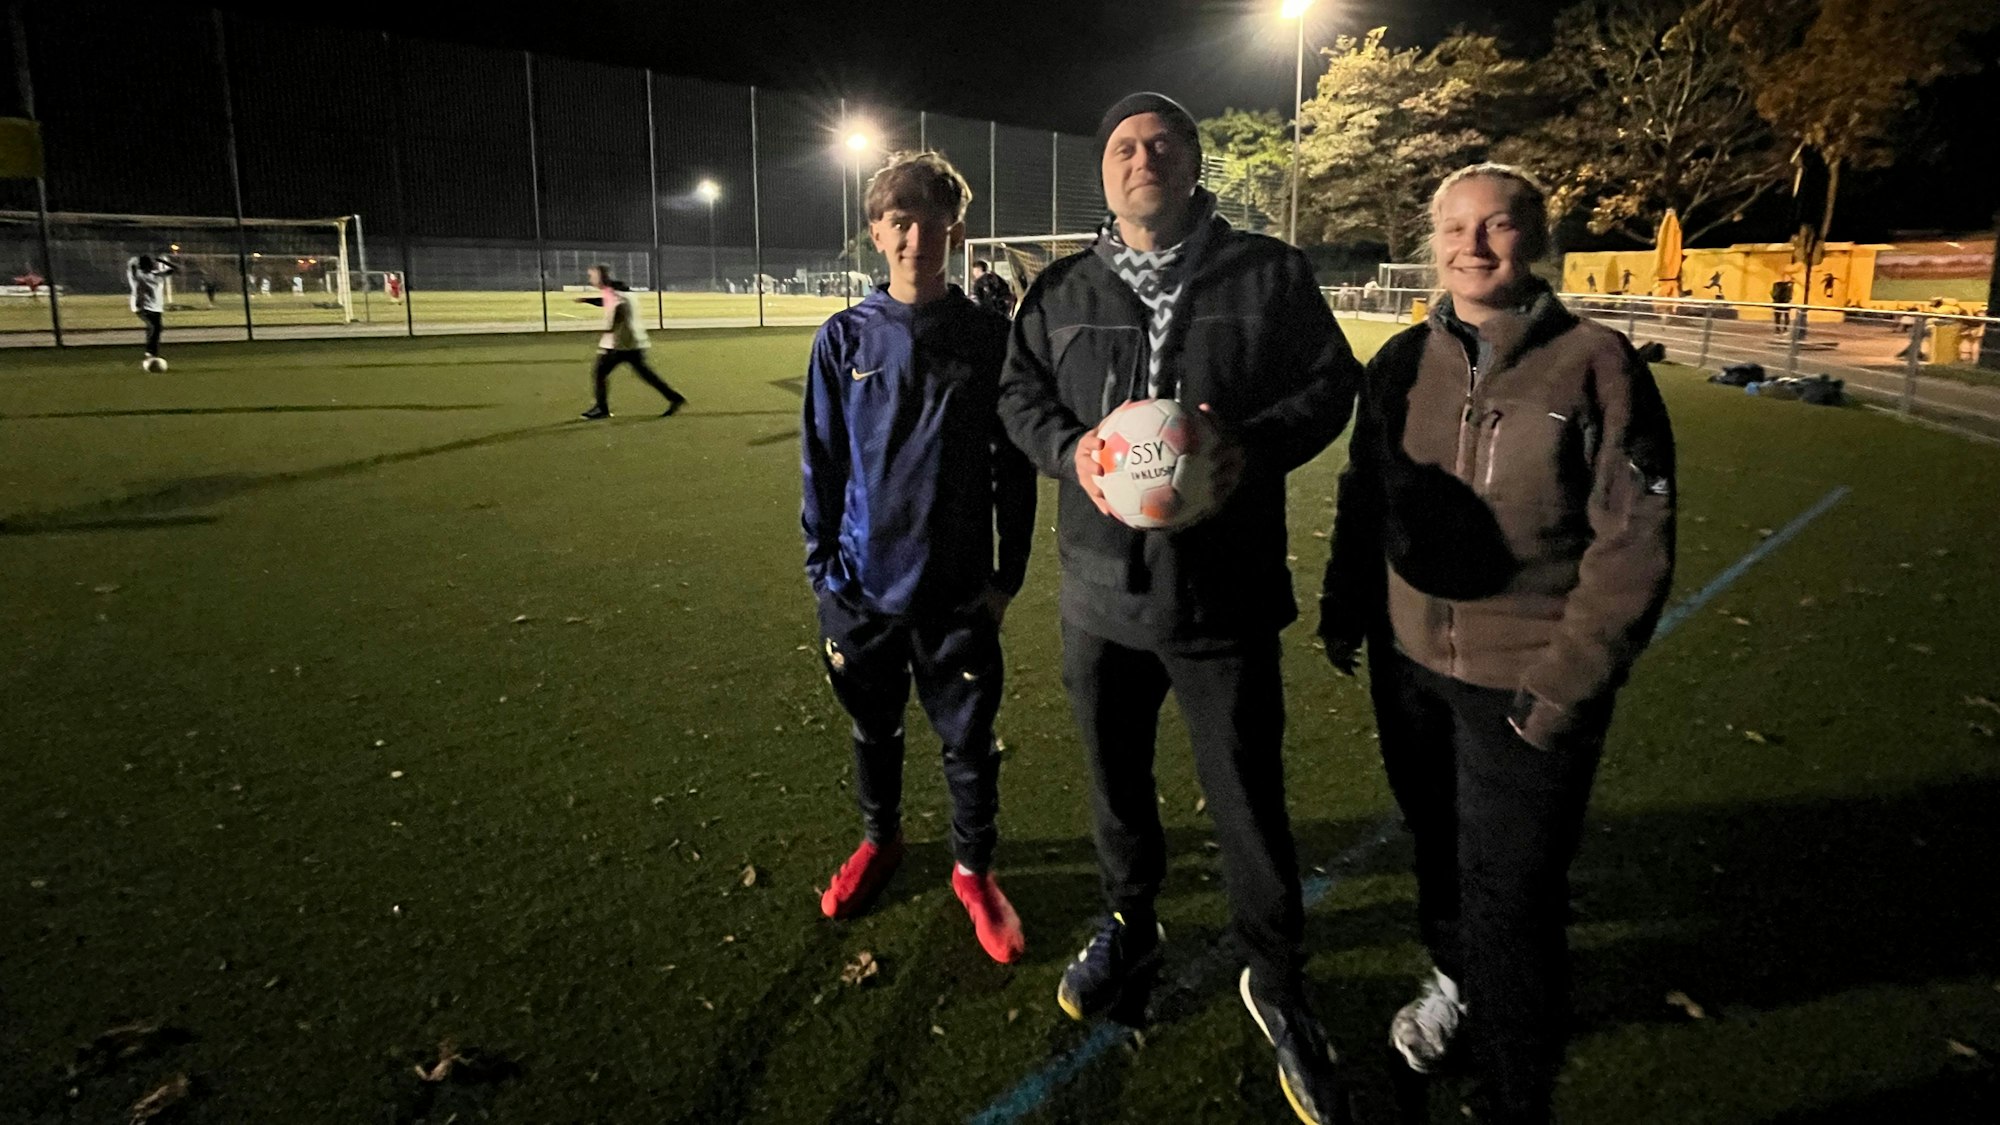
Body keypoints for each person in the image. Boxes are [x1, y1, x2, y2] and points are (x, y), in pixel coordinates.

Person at [998, 92, 1363, 1125]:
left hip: (1222, 598)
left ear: (1193, 164)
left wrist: (1249, 445)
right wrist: (1070, 452)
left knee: (1246, 797)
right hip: (1097, 597)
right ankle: (1130, 922)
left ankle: (1276, 978)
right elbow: (1017, 395)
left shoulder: (1267, 274)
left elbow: (1330, 385)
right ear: (1102, 174)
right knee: (1115, 787)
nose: (1140, 158)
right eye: (1121, 146)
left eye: (1161, 144)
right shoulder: (1062, 288)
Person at [1317, 163, 1676, 1125]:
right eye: (1455, 226)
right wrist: (1346, 604)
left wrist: (1563, 687)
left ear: (1536, 239)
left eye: (1499, 225)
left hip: (1525, 680)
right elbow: (1367, 492)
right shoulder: (1397, 362)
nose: (1473, 245)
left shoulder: (1599, 364)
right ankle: (1454, 986)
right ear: (1432, 241)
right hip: (1410, 670)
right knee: (1441, 853)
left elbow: (1632, 541)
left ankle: (1516, 1090)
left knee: (1513, 898)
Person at [802, 151, 1038, 964]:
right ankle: (882, 840)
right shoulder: (843, 339)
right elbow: (821, 463)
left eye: (931, 224)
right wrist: (824, 577)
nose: (915, 239)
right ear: (876, 232)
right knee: (874, 729)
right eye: (900, 223)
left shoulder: (989, 338)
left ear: (955, 232)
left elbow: (1015, 468)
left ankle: (974, 870)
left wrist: (1007, 578)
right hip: (862, 589)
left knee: (969, 741)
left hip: (959, 592)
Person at [576, 265, 686, 420]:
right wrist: (587, 300)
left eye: (592, 276)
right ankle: (674, 398)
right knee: (646, 374)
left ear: (601, 277)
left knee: (600, 372)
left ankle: (602, 409)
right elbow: (606, 301)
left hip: (623, 343)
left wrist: (609, 329)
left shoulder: (614, 293)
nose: (590, 279)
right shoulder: (619, 290)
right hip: (633, 341)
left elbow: (618, 307)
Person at [127, 252, 177, 366]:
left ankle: (152, 355)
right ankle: (150, 353)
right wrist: (136, 259)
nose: (151, 266)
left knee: (157, 329)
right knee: (154, 327)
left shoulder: (158, 275)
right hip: (141, 307)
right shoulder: (137, 276)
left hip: (157, 307)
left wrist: (163, 261)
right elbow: (131, 265)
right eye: (147, 264)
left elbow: (176, 269)